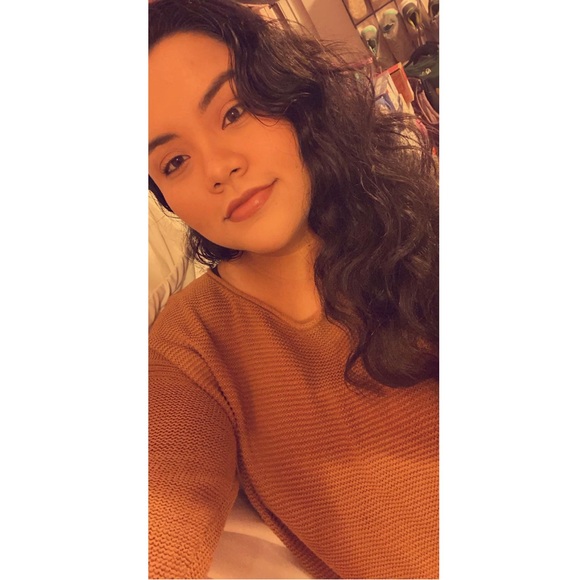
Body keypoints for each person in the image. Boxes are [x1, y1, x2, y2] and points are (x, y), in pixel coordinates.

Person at [148, 0, 439, 577]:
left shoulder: (419, 226)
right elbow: (159, 503)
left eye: (233, 112)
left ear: (288, 97)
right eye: (175, 161)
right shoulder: (192, 348)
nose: (218, 168)